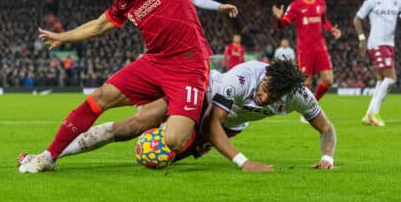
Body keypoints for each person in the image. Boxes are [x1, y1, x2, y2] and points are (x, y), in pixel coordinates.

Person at [18, 0, 213, 173]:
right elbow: (100, 25)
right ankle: (49, 156)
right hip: (154, 63)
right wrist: (63, 36)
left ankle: (199, 128)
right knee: (100, 97)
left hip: (188, 65)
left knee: (175, 141)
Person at [59, 60, 337, 172]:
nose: (263, 99)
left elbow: (326, 128)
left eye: (272, 99)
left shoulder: (299, 95)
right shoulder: (242, 78)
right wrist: (243, 162)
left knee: (159, 159)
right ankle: (54, 154)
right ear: (264, 77)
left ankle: (169, 135)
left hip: (228, 126)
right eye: (264, 90)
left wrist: (327, 158)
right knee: (134, 125)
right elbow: (210, 120)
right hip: (200, 95)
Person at [354, 0, 401, 127]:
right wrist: (361, 38)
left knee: (381, 80)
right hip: (377, 43)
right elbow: (357, 19)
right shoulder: (372, 1)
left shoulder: (398, 2)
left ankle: (368, 115)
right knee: (391, 78)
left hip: (389, 44)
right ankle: (375, 113)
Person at [272, 0, 341, 102]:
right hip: (305, 49)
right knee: (306, 81)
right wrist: (278, 19)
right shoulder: (295, 5)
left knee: (329, 80)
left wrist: (332, 29)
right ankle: (307, 110)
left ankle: (313, 103)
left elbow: (324, 21)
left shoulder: (321, 3)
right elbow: (283, 24)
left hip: (321, 47)